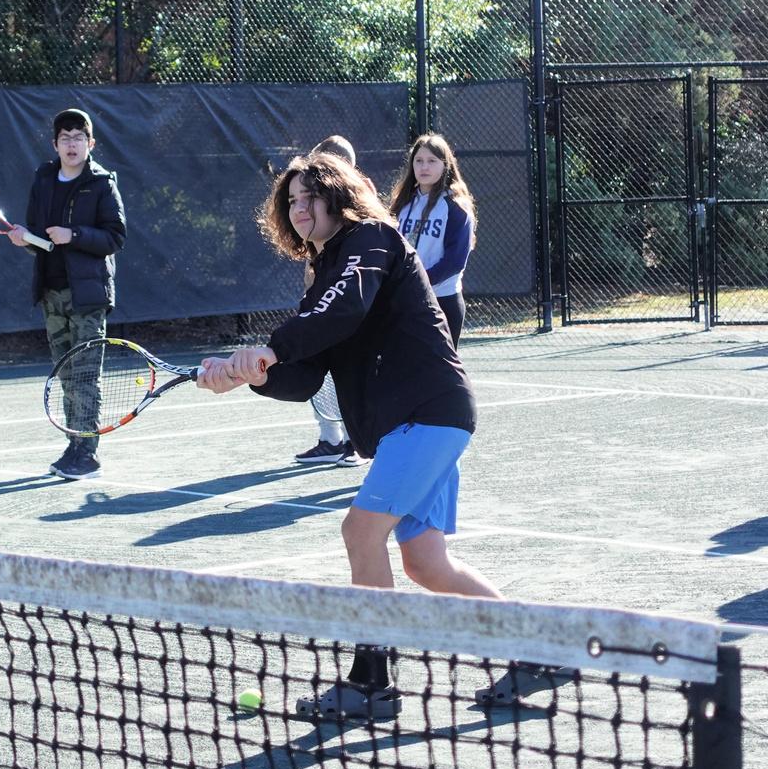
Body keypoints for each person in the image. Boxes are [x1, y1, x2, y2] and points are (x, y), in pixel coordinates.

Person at [196, 151, 559, 717]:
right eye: (290, 202)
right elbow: (305, 376)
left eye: (309, 196)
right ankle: (537, 651)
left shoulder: (371, 239)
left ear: (338, 195)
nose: (298, 209)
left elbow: (343, 309)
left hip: (428, 411)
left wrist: (269, 348)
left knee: (360, 532)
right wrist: (252, 375)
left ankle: (371, 683)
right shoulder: (325, 275)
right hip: (413, 425)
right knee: (426, 563)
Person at [9, 108, 127, 481]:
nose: (72, 144)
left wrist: (73, 235)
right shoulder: (43, 179)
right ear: (55, 144)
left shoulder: (102, 184)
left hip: (88, 297)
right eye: (65, 138)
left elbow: (115, 237)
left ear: (91, 143)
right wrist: (23, 239)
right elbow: (39, 238)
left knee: (85, 374)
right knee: (66, 375)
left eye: (79, 138)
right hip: (52, 294)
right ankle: (74, 445)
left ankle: (87, 453)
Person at [292, 134, 363, 469]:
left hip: (349, 312)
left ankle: (356, 441)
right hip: (321, 300)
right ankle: (331, 439)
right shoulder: (311, 203)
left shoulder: (358, 200)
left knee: (352, 373)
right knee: (321, 371)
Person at [386, 133, 475, 346]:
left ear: (446, 165)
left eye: (432, 161)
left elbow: (455, 262)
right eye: (419, 161)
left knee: (440, 367)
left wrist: (418, 283)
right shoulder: (402, 204)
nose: (424, 167)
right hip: (404, 301)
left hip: (442, 301)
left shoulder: (455, 207)